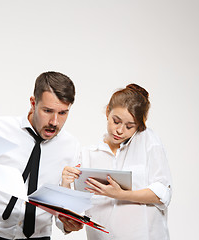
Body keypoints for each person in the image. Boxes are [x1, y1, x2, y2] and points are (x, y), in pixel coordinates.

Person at [0, 71, 83, 240]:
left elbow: (63, 211)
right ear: (32, 103)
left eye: (63, 113)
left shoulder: (71, 146)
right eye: (47, 110)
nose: (54, 122)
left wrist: (68, 222)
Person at [61, 84, 172, 240]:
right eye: (116, 121)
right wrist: (65, 184)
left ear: (139, 126)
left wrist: (121, 194)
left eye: (129, 126)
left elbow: (162, 194)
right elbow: (73, 213)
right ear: (108, 112)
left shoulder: (148, 141)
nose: (120, 130)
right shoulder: (88, 154)